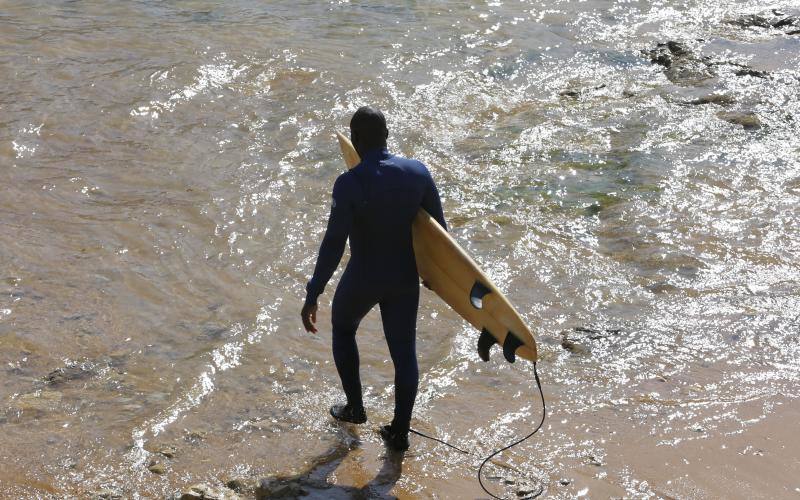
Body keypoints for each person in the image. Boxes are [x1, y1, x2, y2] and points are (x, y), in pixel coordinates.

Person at [301, 106, 447, 451]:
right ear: (387, 136)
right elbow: (440, 235)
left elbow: (334, 243)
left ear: (354, 140)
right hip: (404, 278)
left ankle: (354, 407)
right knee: (404, 353)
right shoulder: (418, 172)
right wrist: (434, 276)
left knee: (344, 328)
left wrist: (313, 292)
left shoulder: (350, 182)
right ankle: (399, 431)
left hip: (364, 275)